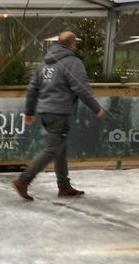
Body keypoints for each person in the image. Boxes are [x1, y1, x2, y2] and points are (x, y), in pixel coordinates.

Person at [12, 31, 105, 200]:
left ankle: (64, 186)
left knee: (60, 147)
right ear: (73, 44)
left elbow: (33, 88)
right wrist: (96, 107)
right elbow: (80, 87)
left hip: (45, 111)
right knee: (53, 149)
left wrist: (29, 112)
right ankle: (24, 180)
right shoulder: (72, 62)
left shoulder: (44, 63)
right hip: (60, 111)